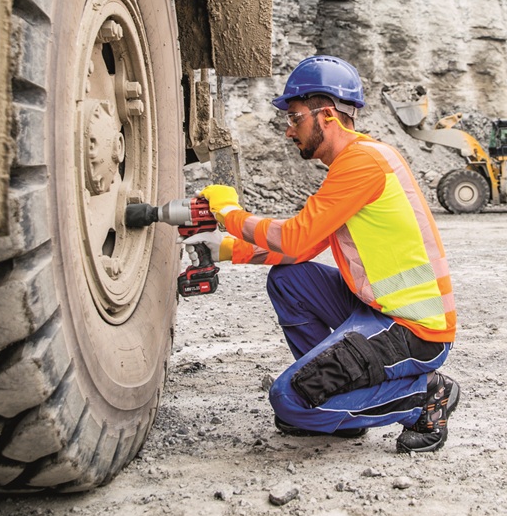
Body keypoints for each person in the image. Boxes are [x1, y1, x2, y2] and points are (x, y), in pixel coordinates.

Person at [195, 55, 460, 453]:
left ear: (328, 116)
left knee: (290, 401)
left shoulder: (362, 163)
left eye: (295, 117)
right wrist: (227, 249)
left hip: (414, 330)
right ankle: (341, 404)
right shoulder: (356, 162)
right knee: (290, 280)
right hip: (379, 311)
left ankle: (424, 398)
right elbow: (303, 247)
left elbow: (294, 238)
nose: (289, 130)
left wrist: (229, 213)